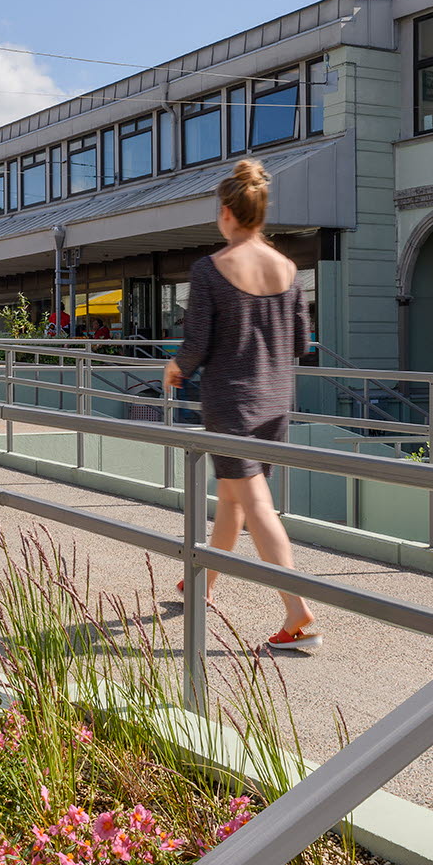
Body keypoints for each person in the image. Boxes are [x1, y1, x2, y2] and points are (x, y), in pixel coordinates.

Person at [163, 160, 318, 652]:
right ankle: (203, 585)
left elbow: (197, 344)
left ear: (227, 212)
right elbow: (300, 345)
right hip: (275, 401)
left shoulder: (210, 269)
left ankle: (300, 616)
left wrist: (175, 369)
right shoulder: (289, 270)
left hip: (230, 403)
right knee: (232, 497)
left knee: (254, 504)